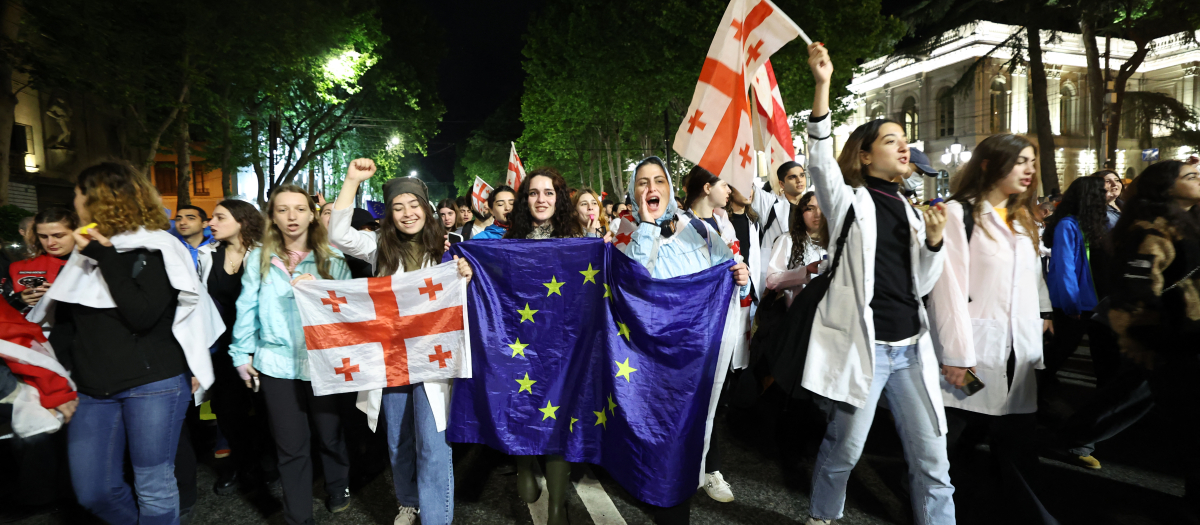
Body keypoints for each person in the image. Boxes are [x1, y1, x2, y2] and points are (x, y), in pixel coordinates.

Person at [803, 43, 953, 525]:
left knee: (933, 461)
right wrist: (823, 84)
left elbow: (922, 284)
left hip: (911, 350)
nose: (903, 144)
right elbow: (821, 162)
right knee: (844, 450)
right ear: (865, 158)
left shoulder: (913, 212)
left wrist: (933, 244)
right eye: (890, 140)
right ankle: (823, 517)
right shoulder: (851, 202)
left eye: (902, 138)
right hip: (865, 350)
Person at [33, 160, 219, 525]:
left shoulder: (156, 246)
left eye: (78, 193)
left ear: (99, 198)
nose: (74, 200)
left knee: (153, 485)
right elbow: (67, 320)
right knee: (93, 491)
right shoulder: (84, 249)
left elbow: (142, 315)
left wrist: (103, 255)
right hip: (90, 388)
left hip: (153, 385)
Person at [332, 159, 472, 525]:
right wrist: (351, 181)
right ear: (389, 214)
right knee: (397, 441)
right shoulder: (378, 248)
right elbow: (337, 235)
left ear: (426, 209)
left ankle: (436, 517)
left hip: (434, 361)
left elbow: (464, 299)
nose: (407, 213)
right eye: (398, 207)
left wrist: (464, 275)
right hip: (391, 360)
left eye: (413, 205)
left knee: (432, 442)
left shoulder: (451, 250)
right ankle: (408, 501)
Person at [925, 133, 1057, 523]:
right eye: (1020, 161)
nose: (1030, 169)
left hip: (1017, 350)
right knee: (954, 439)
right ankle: (931, 506)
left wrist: (1042, 317)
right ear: (988, 164)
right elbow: (946, 290)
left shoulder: (1022, 218)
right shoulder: (958, 213)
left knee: (1015, 443)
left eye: (1032, 161)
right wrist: (954, 355)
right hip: (971, 353)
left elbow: (1031, 280)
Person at [623, 156, 749, 524]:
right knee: (661, 431)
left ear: (669, 189)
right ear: (633, 192)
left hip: (697, 353)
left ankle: (688, 482)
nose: (651, 188)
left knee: (695, 423)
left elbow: (735, 281)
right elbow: (637, 281)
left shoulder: (703, 231)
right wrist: (647, 227)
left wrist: (740, 277)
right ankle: (663, 493)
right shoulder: (626, 231)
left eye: (658, 180)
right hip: (653, 358)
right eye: (642, 182)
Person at [230, 184, 353, 525]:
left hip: (322, 363)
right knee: (290, 446)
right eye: (282, 209)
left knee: (329, 433)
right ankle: (299, 518)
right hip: (275, 363)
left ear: (312, 213)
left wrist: (322, 292)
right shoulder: (258, 257)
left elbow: (349, 313)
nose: (291, 216)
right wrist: (241, 352)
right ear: (272, 216)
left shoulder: (333, 257)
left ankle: (338, 484)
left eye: (299, 208)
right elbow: (246, 306)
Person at [1106, 159, 1200, 507]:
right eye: (1190, 176)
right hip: (1181, 347)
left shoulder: (1191, 224)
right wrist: (1154, 346)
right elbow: (1135, 296)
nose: (1198, 179)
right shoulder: (1151, 232)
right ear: (1165, 188)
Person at [503, 167, 583, 525]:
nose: (541, 199)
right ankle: (523, 462)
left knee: (558, 420)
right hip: (519, 346)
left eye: (548, 192)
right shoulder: (506, 244)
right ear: (524, 200)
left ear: (559, 199)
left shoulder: (579, 242)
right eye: (533, 193)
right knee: (522, 407)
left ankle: (555, 510)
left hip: (563, 347)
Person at [202, 199, 276, 496]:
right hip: (221, 348)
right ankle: (239, 464)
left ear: (242, 221)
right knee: (227, 410)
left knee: (264, 409)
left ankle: (267, 462)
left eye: (220, 217)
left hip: (260, 347)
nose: (211, 223)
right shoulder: (205, 255)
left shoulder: (266, 254)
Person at [1042, 177, 1109, 390]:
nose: (1107, 196)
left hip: (1094, 301)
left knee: (1097, 353)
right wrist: (1072, 303)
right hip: (1078, 303)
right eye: (1102, 192)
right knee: (1062, 348)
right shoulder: (1068, 225)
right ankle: (1039, 388)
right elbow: (1065, 266)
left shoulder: (1089, 223)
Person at [5, 207, 77, 313]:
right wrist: (20, 299)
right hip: (31, 328)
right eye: (43, 236)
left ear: (77, 232)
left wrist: (64, 296)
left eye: (58, 236)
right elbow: (3, 307)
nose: (50, 243)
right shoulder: (19, 267)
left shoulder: (94, 264)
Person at [751, 159, 808, 286]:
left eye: (802, 175)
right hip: (775, 274)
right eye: (792, 177)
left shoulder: (812, 206)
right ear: (782, 184)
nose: (799, 180)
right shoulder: (771, 203)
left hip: (804, 271)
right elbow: (747, 185)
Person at [765, 192, 825, 307]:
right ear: (800, 214)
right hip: (796, 313)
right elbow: (772, 281)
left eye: (822, 208)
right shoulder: (787, 240)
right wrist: (805, 271)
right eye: (810, 209)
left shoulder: (835, 242)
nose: (817, 214)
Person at [172, 205, 216, 271]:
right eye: (178, 219)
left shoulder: (216, 247)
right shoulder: (172, 247)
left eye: (190, 218)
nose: (182, 222)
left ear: (204, 224)